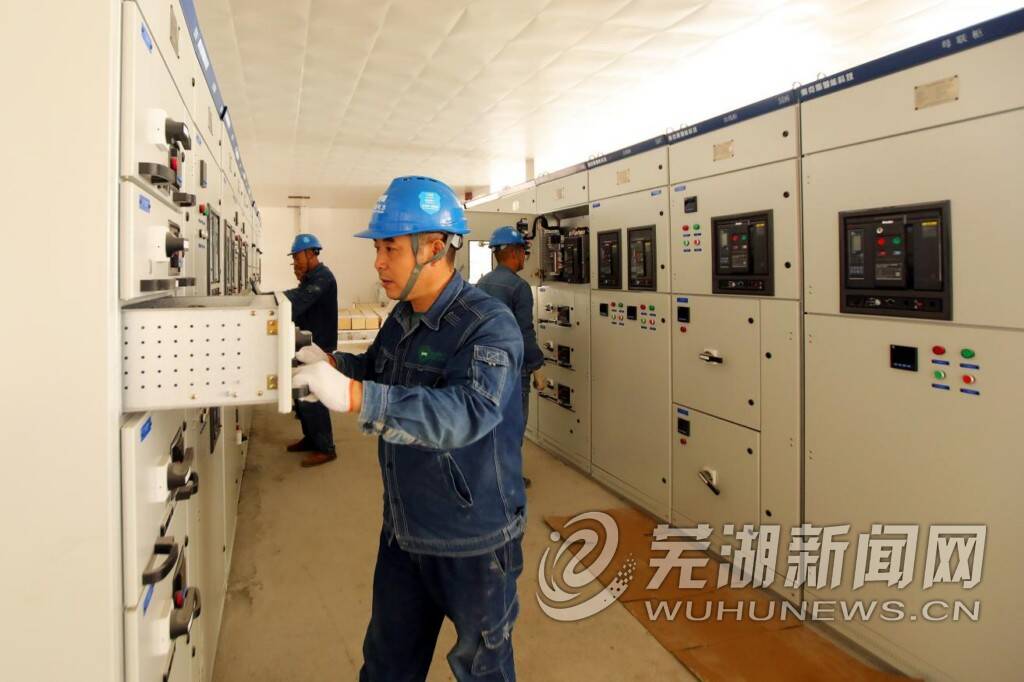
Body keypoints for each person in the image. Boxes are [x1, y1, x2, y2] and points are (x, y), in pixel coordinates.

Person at [292, 176, 527, 681]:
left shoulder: (488, 323)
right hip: (404, 529)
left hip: (473, 540)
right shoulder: (403, 315)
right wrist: (333, 365)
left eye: (390, 249)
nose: (378, 262)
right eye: (378, 248)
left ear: (435, 247)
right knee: (387, 666)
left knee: (481, 669)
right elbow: (376, 369)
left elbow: (468, 411)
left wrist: (357, 398)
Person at [475, 226, 545, 488]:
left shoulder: (483, 282)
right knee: (513, 425)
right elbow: (524, 331)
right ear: (514, 253)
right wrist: (537, 366)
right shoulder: (519, 287)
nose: (525, 257)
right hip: (513, 367)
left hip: (485, 363)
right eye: (524, 252)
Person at [284, 233, 339, 467]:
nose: (295, 263)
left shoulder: (323, 278)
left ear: (310, 253)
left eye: (297, 257)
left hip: (320, 346)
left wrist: (271, 301)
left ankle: (326, 448)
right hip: (306, 344)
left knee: (314, 396)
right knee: (302, 396)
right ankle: (310, 438)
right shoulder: (310, 278)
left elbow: (298, 302)